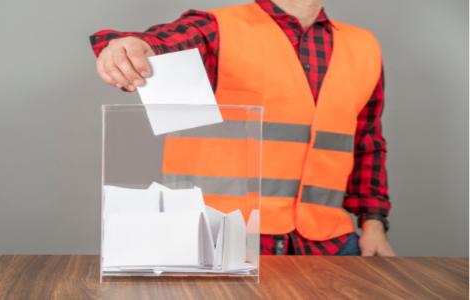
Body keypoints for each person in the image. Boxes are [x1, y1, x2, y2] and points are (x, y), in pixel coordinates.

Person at [90, 0, 395, 256]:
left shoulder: (363, 45)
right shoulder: (215, 28)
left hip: (332, 245)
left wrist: (373, 223)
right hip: (218, 239)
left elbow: (366, 144)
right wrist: (130, 47)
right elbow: (163, 43)